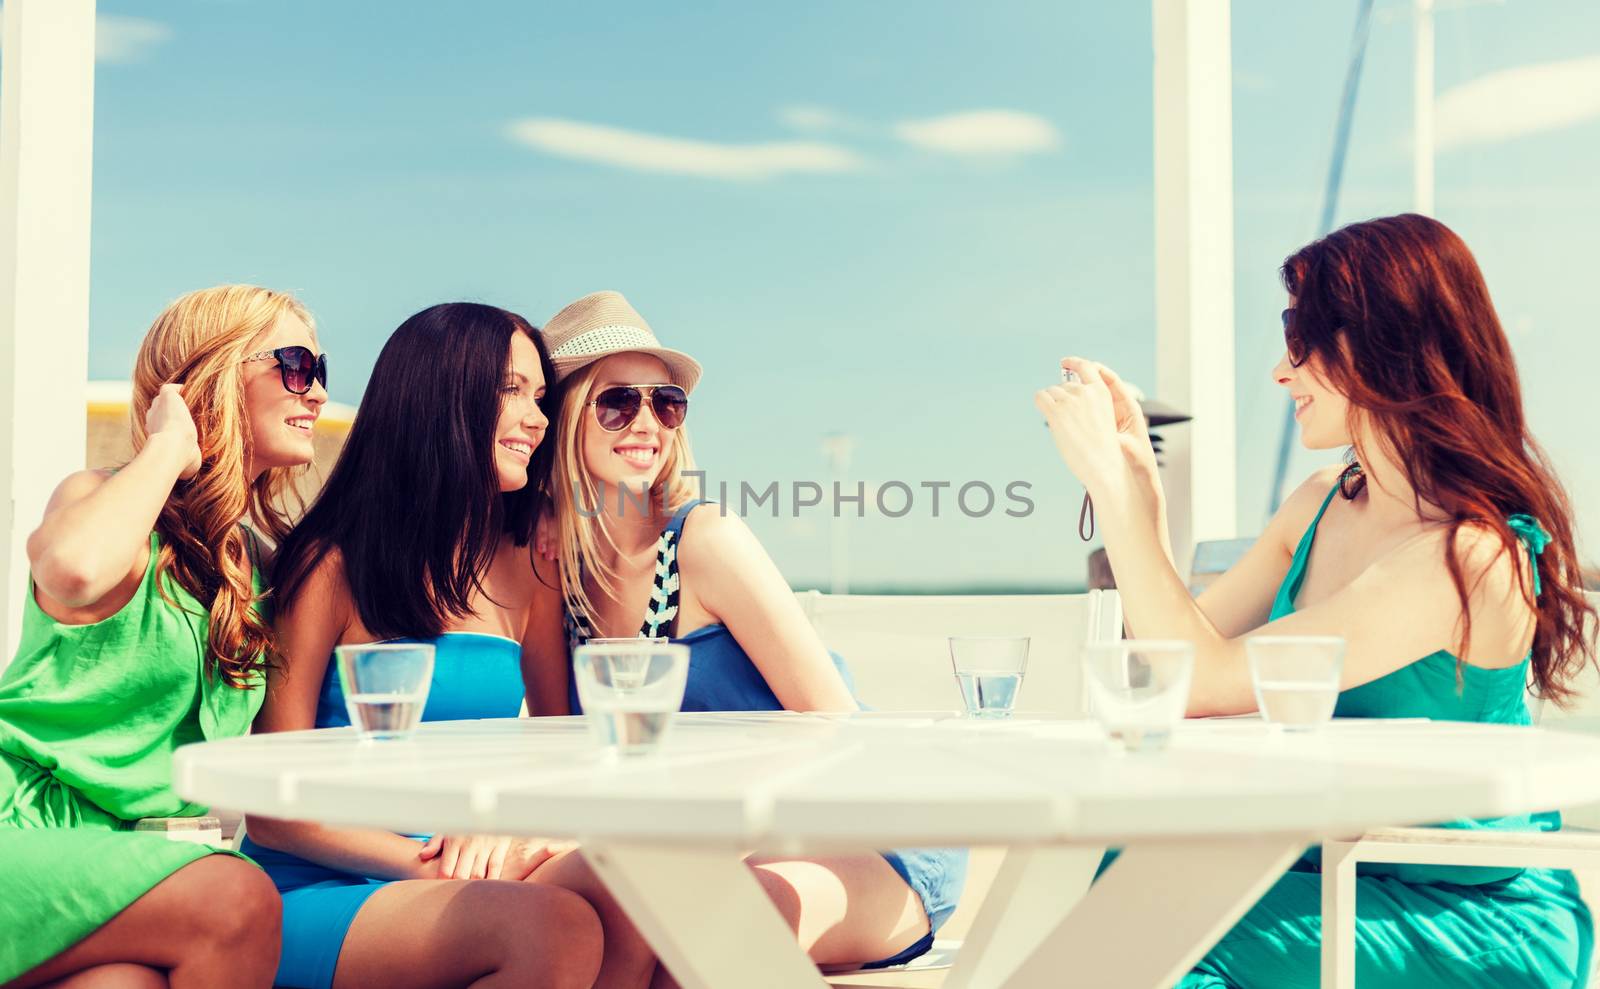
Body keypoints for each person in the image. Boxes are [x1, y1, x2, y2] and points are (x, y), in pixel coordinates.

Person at [1037, 213, 1594, 988]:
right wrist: (1137, 487)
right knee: (1132, 875)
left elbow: (1195, 683)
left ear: (1378, 344)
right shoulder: (1320, 502)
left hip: (1462, 909)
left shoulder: (1467, 556)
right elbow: (1156, 668)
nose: (1279, 370)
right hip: (1329, 867)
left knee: (1160, 940)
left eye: (1299, 334)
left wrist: (1111, 490)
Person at [525, 290, 967, 985]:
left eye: (665, 402)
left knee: (702, 927)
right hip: (691, 852)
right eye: (618, 402)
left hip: (861, 834)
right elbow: (556, 754)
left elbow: (838, 731)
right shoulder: (557, 574)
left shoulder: (707, 541)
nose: (648, 422)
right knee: (594, 922)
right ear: (563, 419)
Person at [241, 302, 610, 989]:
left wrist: (516, 828)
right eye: (511, 391)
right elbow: (271, 812)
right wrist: (432, 862)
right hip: (319, 888)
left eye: (540, 397)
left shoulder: (531, 565)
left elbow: (568, 754)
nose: (537, 419)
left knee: (635, 883)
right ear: (442, 398)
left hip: (465, 870)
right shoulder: (330, 565)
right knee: (554, 927)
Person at [0, 285, 326, 988]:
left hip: (131, 869)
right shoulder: (99, 499)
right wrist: (171, 444)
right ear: (213, 374)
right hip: (20, 831)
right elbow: (73, 568)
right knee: (235, 898)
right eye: (297, 366)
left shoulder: (262, 567)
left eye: (321, 371)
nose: (319, 393)